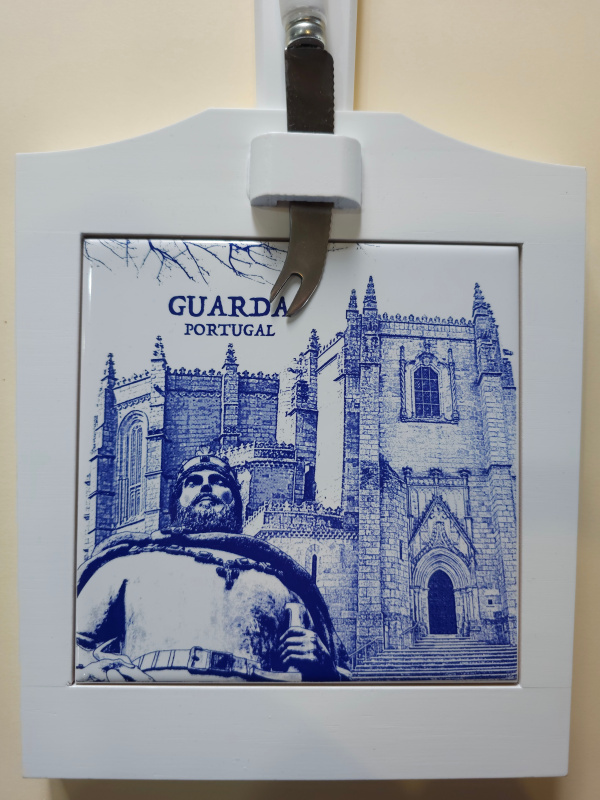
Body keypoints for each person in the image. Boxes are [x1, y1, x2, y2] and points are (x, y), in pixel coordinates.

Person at [76, 454, 347, 682]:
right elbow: (70, 648)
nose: (206, 486)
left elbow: (337, 684)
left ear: (236, 503)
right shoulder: (126, 566)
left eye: (218, 481)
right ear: (177, 503)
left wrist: (325, 668)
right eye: (193, 482)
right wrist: (104, 674)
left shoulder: (283, 584)